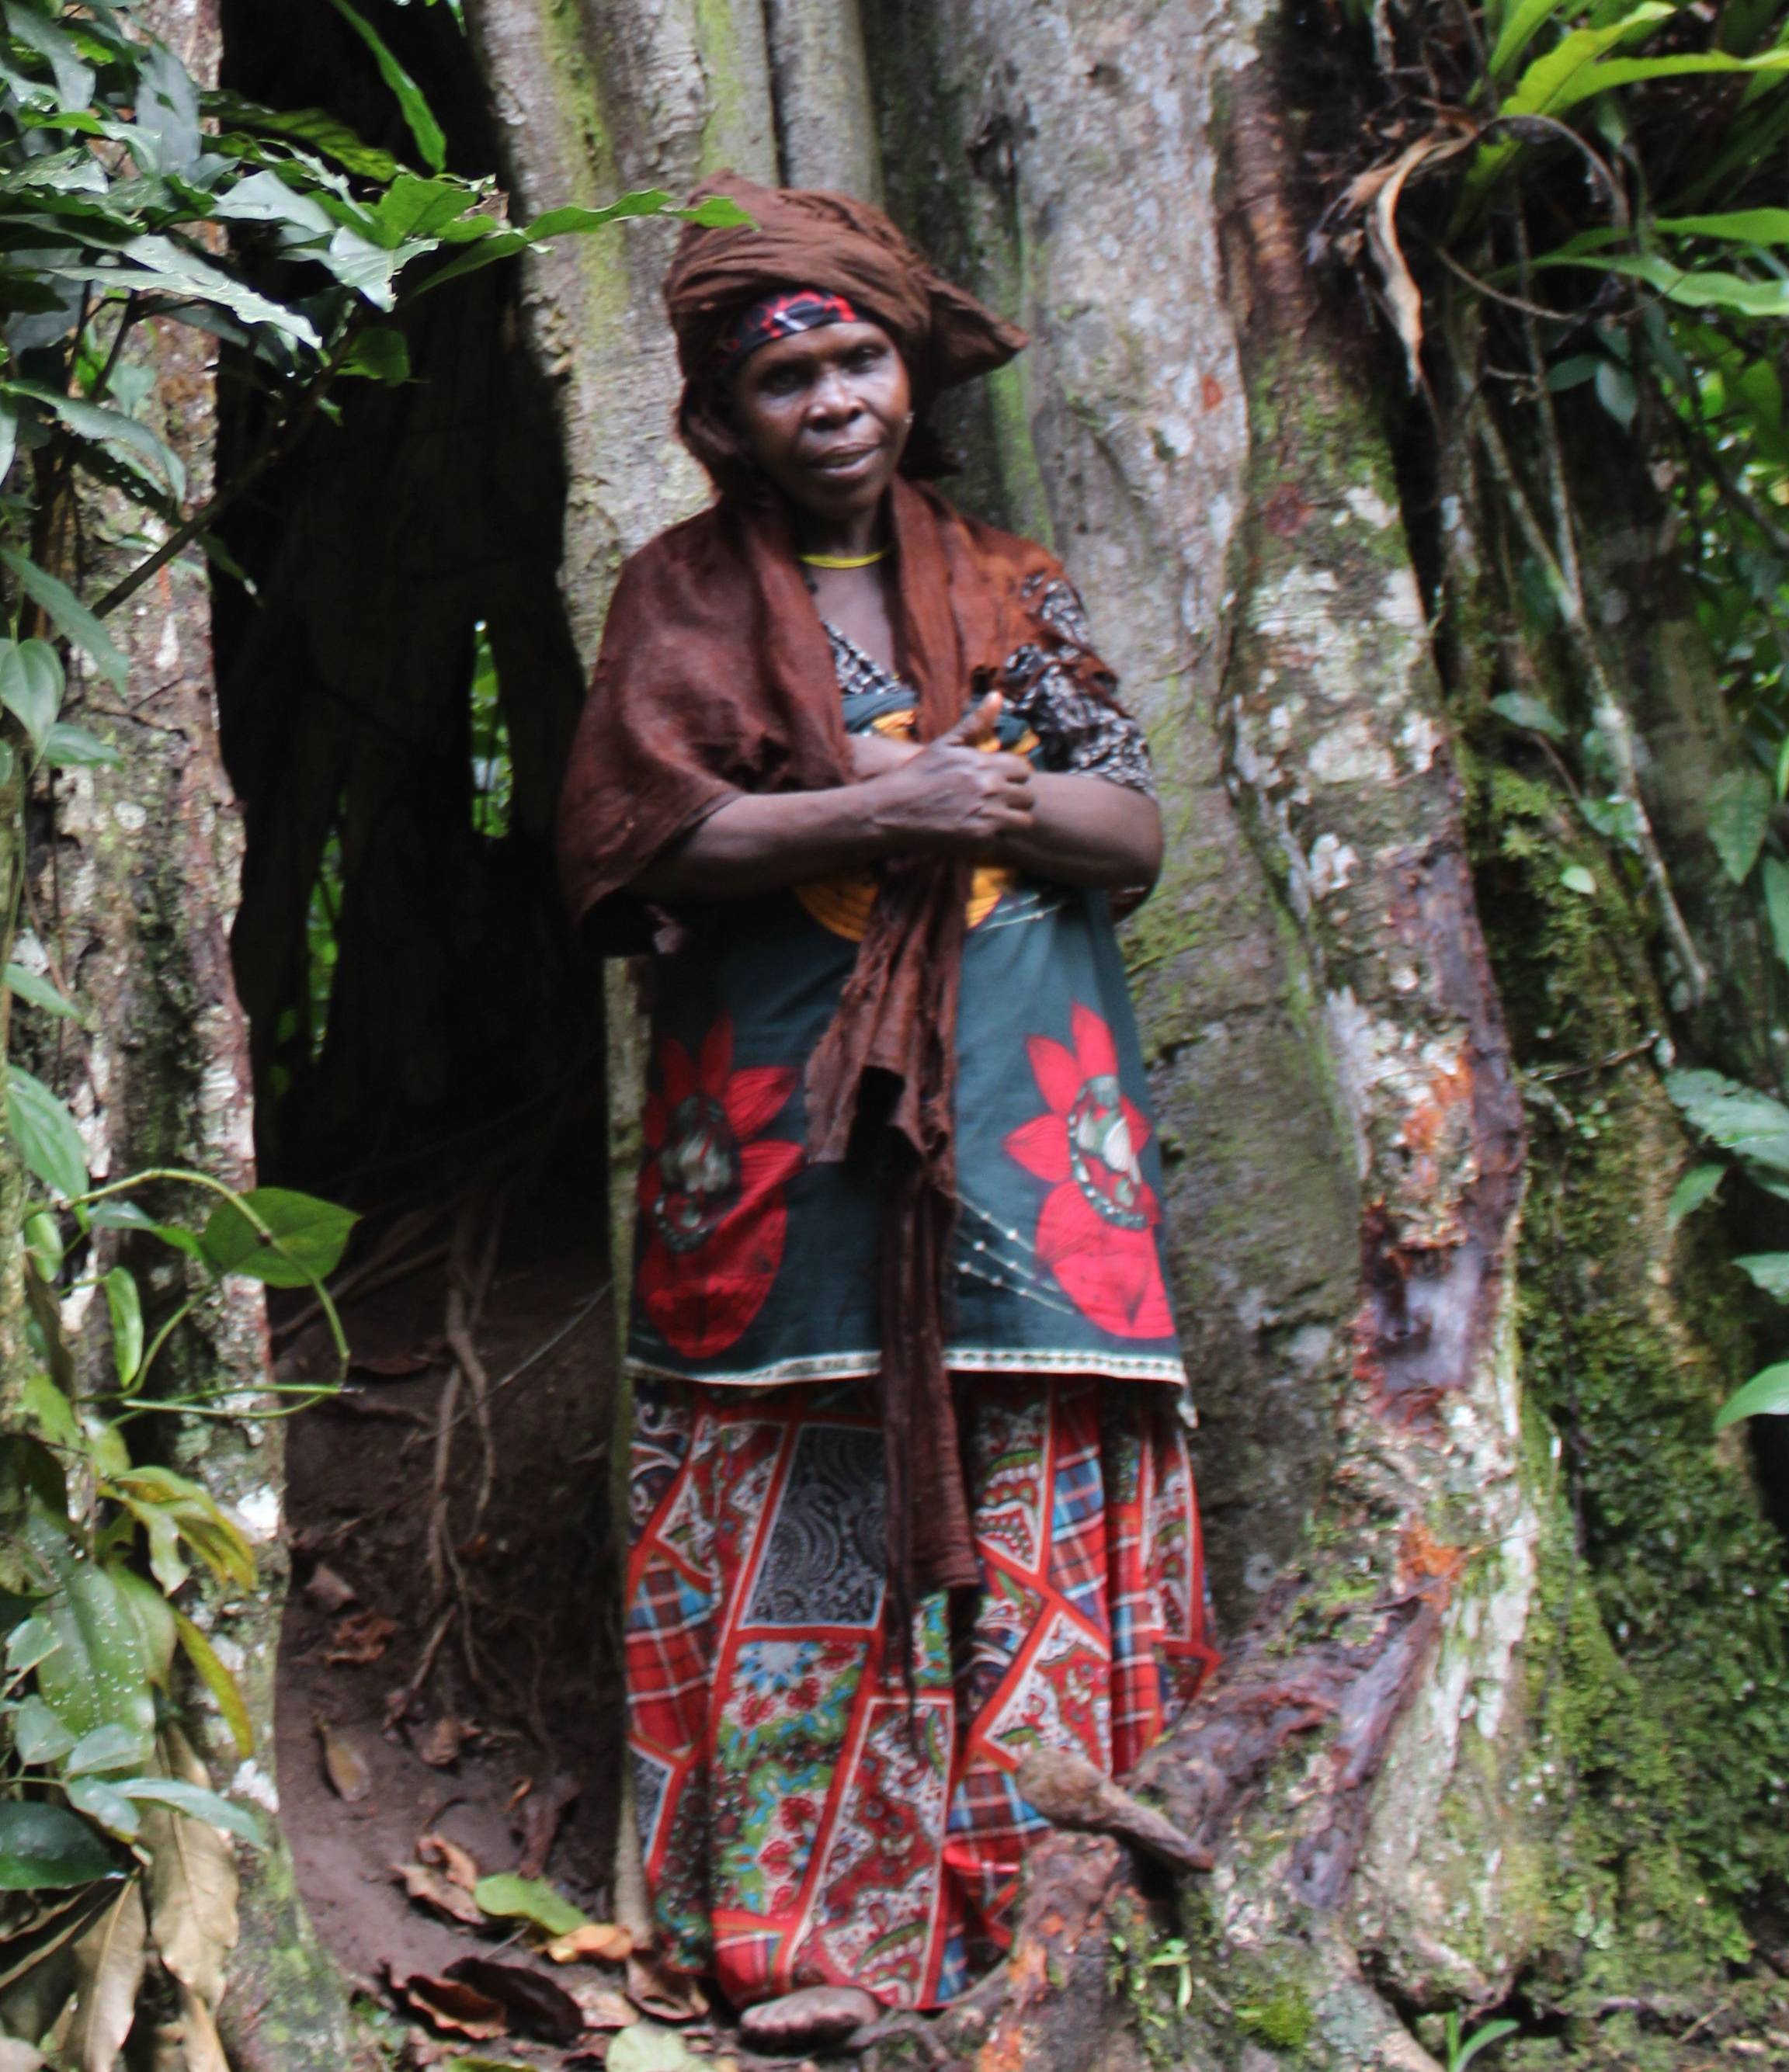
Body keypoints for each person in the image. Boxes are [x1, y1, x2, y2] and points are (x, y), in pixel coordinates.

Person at [556, 179, 1215, 2049]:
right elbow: (632, 845)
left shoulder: (1010, 586)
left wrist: (983, 802)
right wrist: (873, 815)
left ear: (904, 371)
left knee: (1028, 1473)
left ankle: (1044, 1919)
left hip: (1024, 1122)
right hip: (781, 1149)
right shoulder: (674, 602)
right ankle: (805, 1939)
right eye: (786, 381)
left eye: (855, 359)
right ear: (723, 419)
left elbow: (1130, 829)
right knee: (802, 1491)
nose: (831, 400)